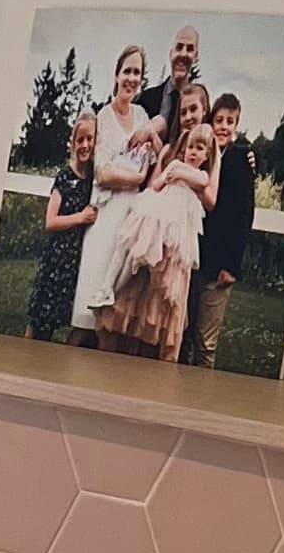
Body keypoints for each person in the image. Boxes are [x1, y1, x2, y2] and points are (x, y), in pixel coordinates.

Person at [96, 86, 217, 360]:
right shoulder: (171, 150)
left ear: (204, 110)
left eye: (193, 110)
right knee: (135, 302)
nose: (188, 116)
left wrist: (188, 171)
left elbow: (210, 197)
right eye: (184, 111)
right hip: (157, 236)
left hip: (180, 247)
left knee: (164, 311)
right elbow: (154, 187)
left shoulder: (208, 155)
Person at [70, 46, 163, 333]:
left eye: (137, 72)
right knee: (89, 300)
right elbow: (102, 171)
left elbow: (159, 157)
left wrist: (151, 134)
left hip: (132, 216)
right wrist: (135, 178)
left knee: (113, 312)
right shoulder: (104, 116)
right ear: (116, 75)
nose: (131, 78)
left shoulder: (142, 114)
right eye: (127, 71)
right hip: (107, 215)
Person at [183, 89, 256, 367]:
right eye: (220, 120)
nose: (223, 127)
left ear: (236, 125)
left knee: (205, 342)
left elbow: (244, 215)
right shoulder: (202, 154)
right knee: (185, 335)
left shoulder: (240, 159)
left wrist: (233, 266)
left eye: (230, 122)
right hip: (195, 256)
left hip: (220, 265)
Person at [29, 107, 98, 341]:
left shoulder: (94, 180)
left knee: (70, 323)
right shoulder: (65, 176)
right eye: (81, 140)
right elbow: (50, 221)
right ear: (73, 143)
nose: (85, 145)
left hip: (77, 263)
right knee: (40, 322)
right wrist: (79, 217)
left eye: (90, 139)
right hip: (57, 261)